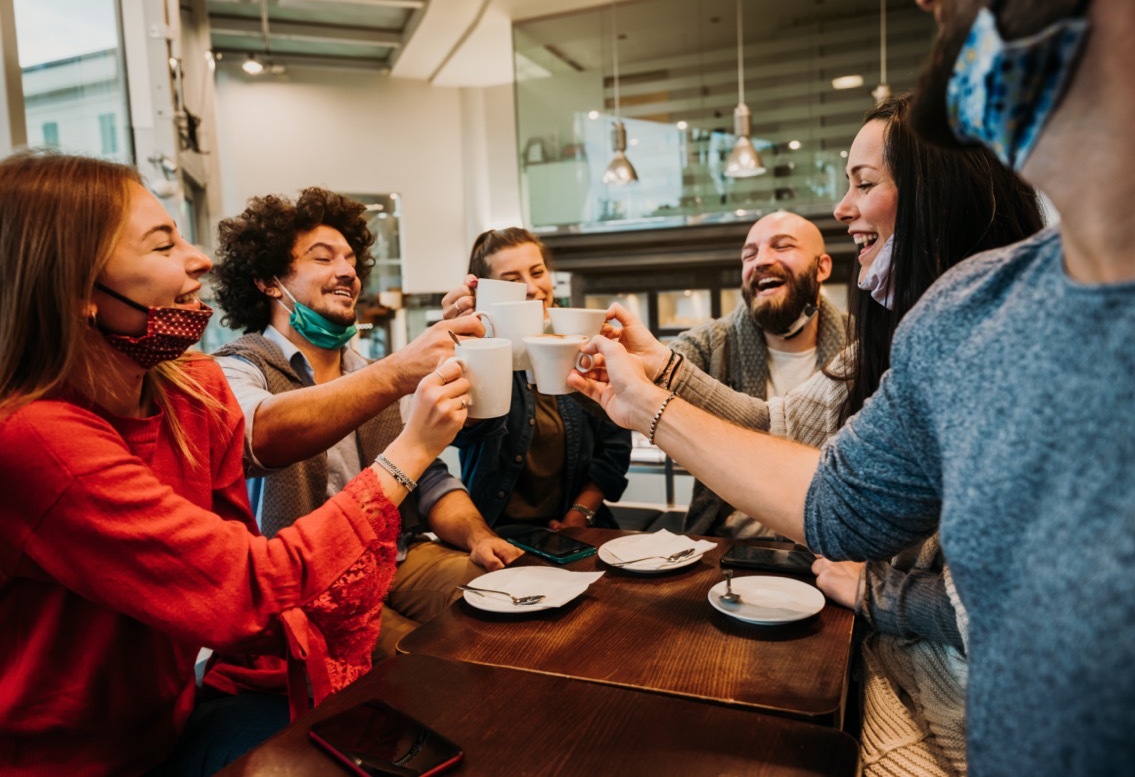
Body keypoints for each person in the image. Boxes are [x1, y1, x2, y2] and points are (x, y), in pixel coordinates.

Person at [569, 0, 1135, 773]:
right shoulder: (962, 317)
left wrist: (655, 398)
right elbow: (835, 497)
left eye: (866, 183)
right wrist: (648, 396)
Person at [610, 92, 1044, 776]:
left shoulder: (976, 342)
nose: (842, 208)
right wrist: (659, 371)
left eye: (864, 184)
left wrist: (649, 407)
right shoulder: (888, 341)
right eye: (749, 251)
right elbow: (777, 429)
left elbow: (841, 506)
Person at [0, 152, 470, 776]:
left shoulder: (186, 388)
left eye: (351, 259)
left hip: (173, 720)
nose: (198, 259)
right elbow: (248, 578)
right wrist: (407, 441)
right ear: (78, 291)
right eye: (163, 245)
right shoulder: (38, 438)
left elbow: (239, 553)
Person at [210, 188, 522, 659]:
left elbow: (430, 480)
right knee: (433, 658)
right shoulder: (237, 368)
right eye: (323, 258)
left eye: (352, 260)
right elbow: (260, 435)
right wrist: (398, 371)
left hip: (397, 556)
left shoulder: (368, 372)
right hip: (308, 583)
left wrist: (479, 536)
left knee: (513, 597)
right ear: (268, 282)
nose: (347, 272)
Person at [440, 227, 631, 532]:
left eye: (538, 272)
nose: (531, 287)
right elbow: (463, 434)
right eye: (512, 281)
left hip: (580, 527)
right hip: (493, 532)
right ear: (489, 293)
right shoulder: (481, 351)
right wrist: (473, 344)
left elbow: (614, 447)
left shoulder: (584, 341)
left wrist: (579, 514)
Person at [669, 211, 846, 538]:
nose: (761, 260)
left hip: (833, 545)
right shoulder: (712, 344)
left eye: (782, 246)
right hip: (731, 546)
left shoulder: (860, 345)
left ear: (821, 267)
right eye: (749, 255)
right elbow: (656, 373)